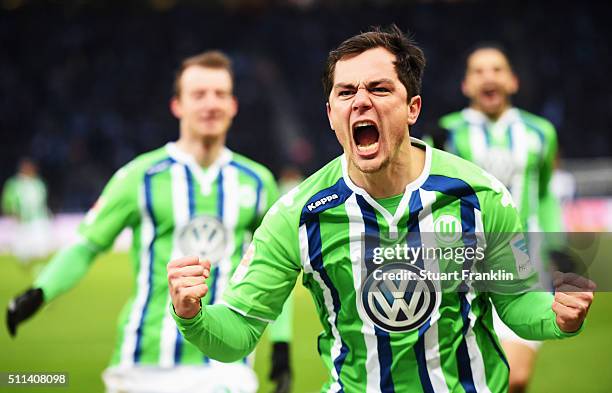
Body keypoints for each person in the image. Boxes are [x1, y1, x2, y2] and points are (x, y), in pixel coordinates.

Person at [167, 26, 594, 393]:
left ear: (413, 109)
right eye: (346, 92)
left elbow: (517, 304)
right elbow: (238, 332)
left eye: (379, 88)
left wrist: (555, 316)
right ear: (331, 113)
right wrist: (192, 316)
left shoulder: (482, 197)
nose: (360, 101)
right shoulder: (296, 214)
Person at [6, 51, 292, 393]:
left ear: (233, 105)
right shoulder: (139, 176)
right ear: (177, 105)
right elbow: (87, 245)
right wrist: (39, 292)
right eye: (198, 94)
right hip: (143, 362)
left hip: (223, 365)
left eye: (220, 94)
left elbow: (275, 270)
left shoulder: (257, 181)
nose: (210, 103)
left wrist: (281, 343)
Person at [436, 44, 563, 392]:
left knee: (514, 377)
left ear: (513, 81)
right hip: (462, 261)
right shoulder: (445, 132)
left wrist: (557, 245)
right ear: (466, 85)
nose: (488, 77)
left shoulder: (540, 133)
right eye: (478, 71)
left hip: (523, 256)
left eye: (497, 69)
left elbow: (545, 192)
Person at [1, 157, 52, 262]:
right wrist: (12, 213)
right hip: (22, 221)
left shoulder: (38, 183)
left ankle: (38, 266)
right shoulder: (14, 184)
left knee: (41, 249)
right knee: (23, 251)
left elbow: (43, 201)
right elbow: (7, 201)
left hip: (39, 219)